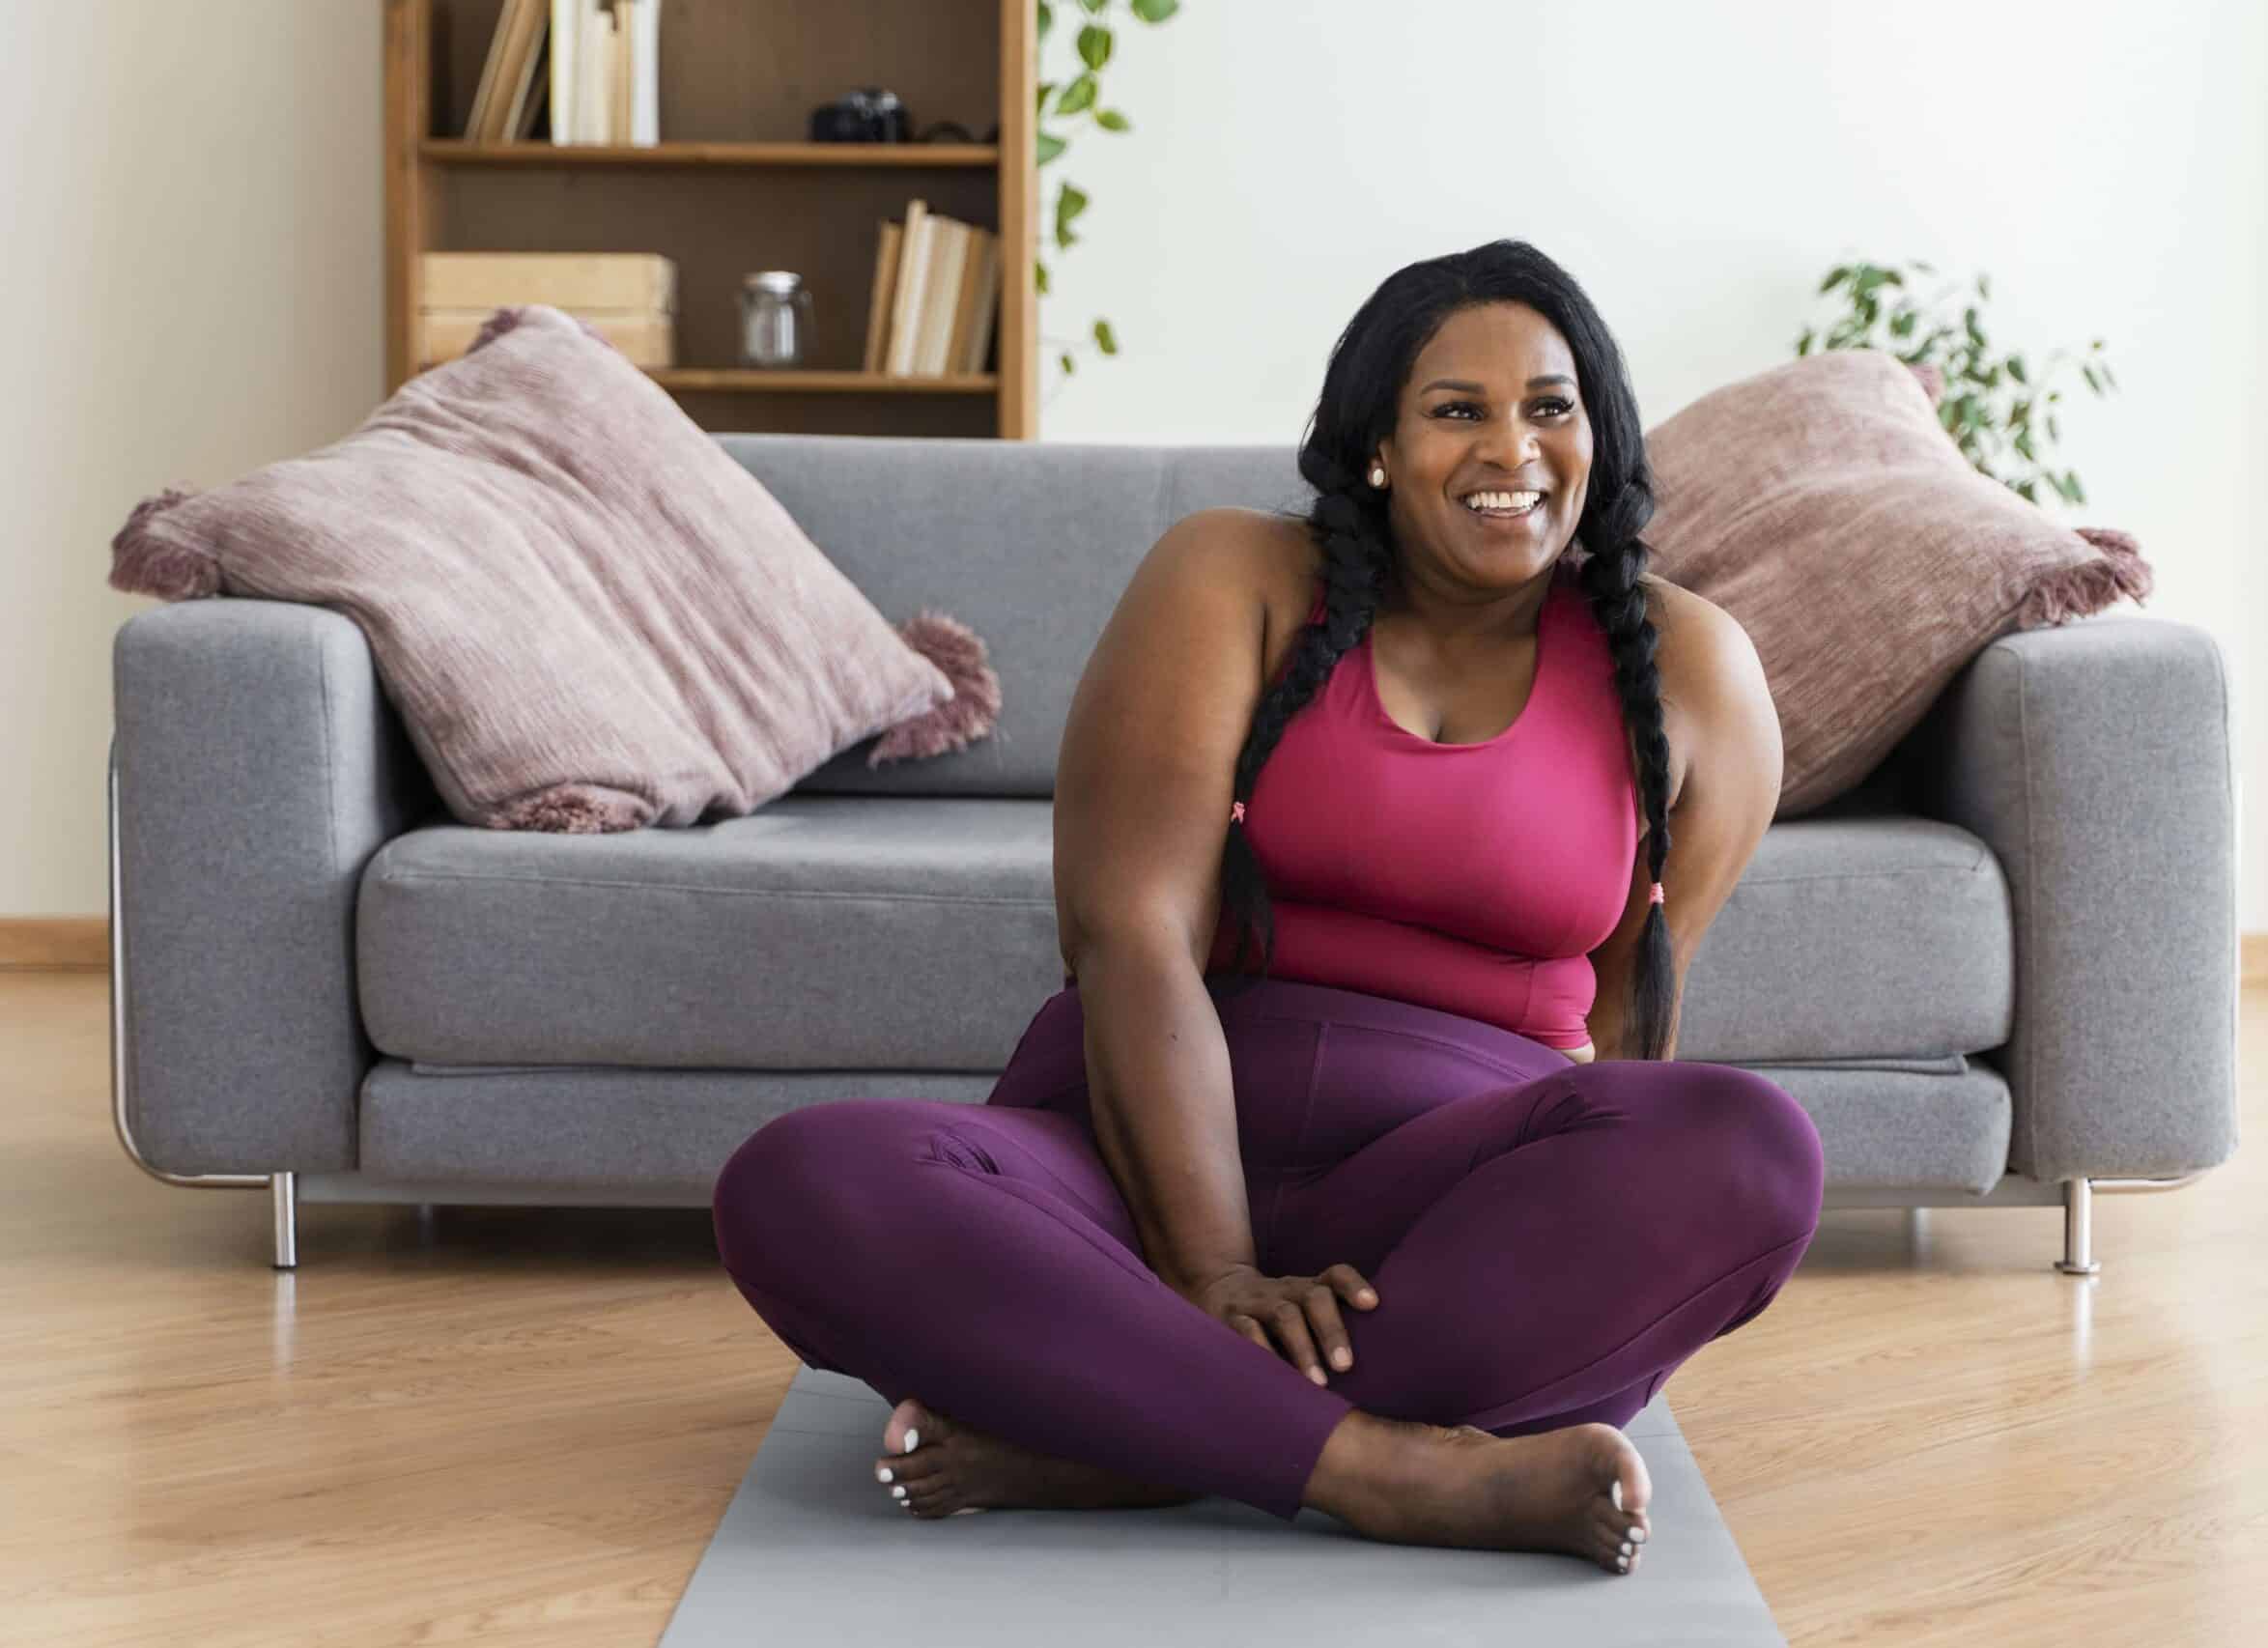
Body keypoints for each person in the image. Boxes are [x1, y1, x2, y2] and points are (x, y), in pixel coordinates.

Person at [710, 239, 1823, 1577]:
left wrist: (1594, 1226)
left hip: (1439, 1198)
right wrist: (1212, 1268)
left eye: (1548, 405)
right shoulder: (1232, 577)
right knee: (804, 1181)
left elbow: (1633, 1011)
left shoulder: (1695, 670)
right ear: (1375, 446)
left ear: (1599, 434)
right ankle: (1382, 1466)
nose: (1509, 448)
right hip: (1132, 1166)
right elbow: (1128, 936)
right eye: (1455, 410)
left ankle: (1124, 1437)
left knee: (1753, 1149)